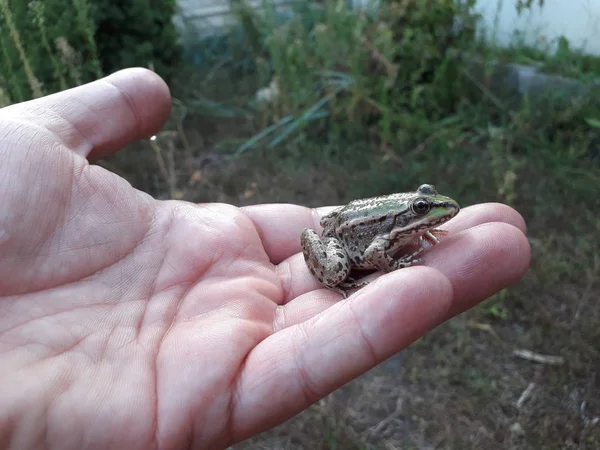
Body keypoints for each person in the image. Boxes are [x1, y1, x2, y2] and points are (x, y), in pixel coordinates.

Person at [0, 68, 530, 449]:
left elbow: (396, 231)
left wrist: (416, 235)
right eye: (422, 208)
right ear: (409, 211)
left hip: (350, 220)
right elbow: (370, 248)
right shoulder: (389, 231)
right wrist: (397, 261)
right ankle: (338, 283)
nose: (434, 210)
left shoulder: (412, 220)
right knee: (344, 269)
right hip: (344, 236)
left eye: (427, 203)